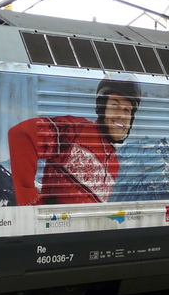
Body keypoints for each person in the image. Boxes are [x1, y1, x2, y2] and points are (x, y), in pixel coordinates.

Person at [8, 78, 140, 205]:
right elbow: (22, 135)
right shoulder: (76, 130)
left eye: (127, 110)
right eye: (115, 106)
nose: (122, 115)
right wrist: (29, 203)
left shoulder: (114, 163)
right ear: (102, 108)